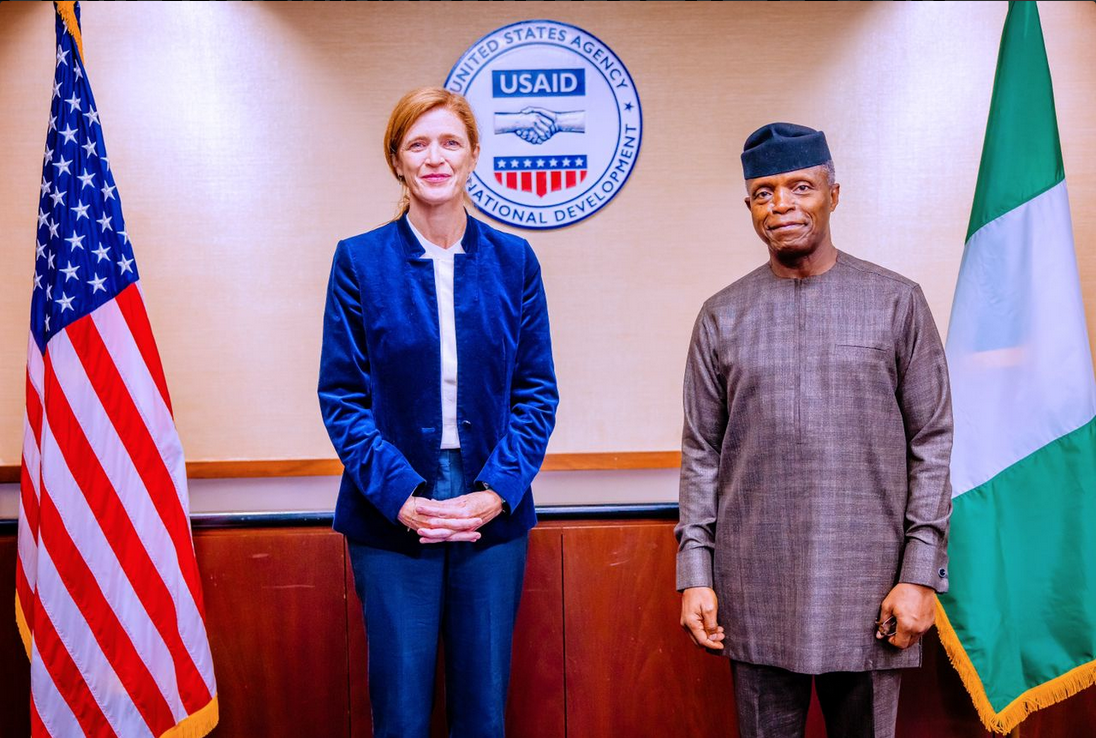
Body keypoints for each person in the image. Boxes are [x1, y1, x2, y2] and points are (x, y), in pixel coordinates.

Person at [675, 122, 953, 738]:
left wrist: (919, 575)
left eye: (801, 187)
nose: (782, 206)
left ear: (833, 193)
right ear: (749, 206)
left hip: (873, 592)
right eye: (765, 192)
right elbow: (701, 455)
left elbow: (931, 445)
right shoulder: (722, 315)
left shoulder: (897, 302)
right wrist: (696, 573)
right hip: (752, 591)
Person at [318, 87, 558, 738]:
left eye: (450, 142)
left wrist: (496, 493)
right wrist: (399, 496)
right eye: (417, 143)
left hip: (491, 510)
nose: (435, 157)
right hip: (391, 509)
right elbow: (342, 397)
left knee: (482, 712)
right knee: (399, 712)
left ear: (474, 155)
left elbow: (537, 394)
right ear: (396, 160)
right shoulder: (360, 261)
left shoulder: (514, 261)